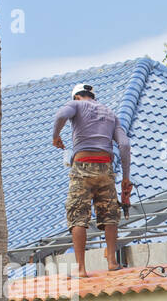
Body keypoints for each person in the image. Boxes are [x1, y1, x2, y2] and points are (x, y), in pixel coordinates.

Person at [52, 83, 132, 277]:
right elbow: (124, 145)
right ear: (92, 96)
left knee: (77, 214)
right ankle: (112, 262)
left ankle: (81, 268)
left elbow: (61, 115)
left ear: (76, 97)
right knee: (110, 213)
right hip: (106, 167)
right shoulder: (110, 113)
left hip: (82, 165)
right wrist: (126, 179)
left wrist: (56, 136)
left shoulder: (76, 106)